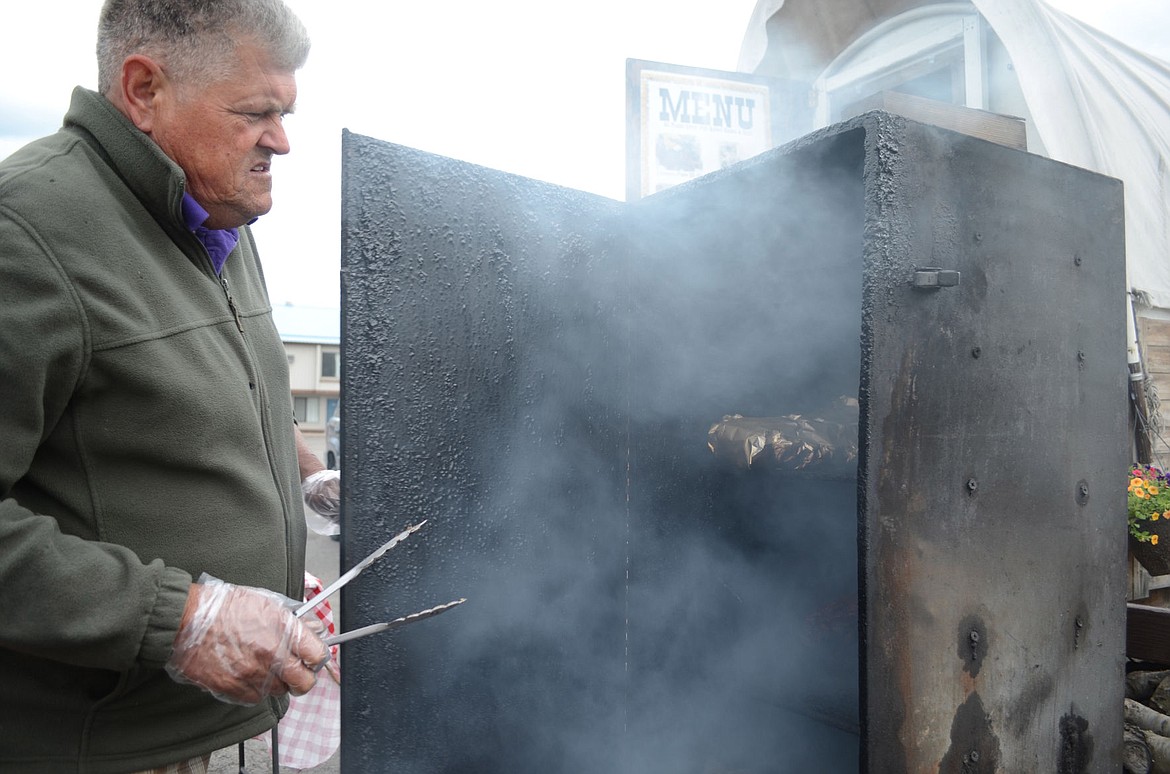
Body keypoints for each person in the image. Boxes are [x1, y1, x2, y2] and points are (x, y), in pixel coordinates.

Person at [0, 1, 341, 771]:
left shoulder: (214, 215)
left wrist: (311, 481)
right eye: (257, 113)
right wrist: (184, 619)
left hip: (229, 728)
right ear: (145, 89)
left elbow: (223, 392)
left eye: (285, 113)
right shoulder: (25, 231)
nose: (282, 142)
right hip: (104, 751)